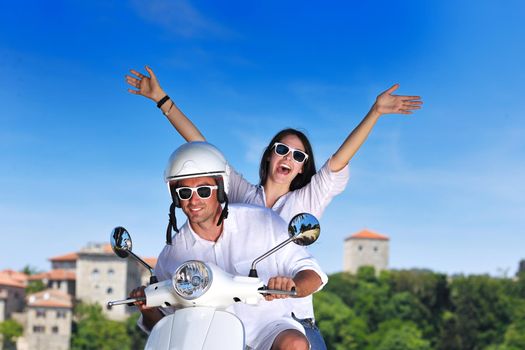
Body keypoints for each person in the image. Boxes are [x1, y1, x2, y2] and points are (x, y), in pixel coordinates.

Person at [125, 66, 423, 348]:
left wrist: (376, 112)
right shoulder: (241, 197)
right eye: (282, 149)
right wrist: (162, 100)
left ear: (302, 169)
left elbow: (340, 159)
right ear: (269, 155)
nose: (289, 158)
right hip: (235, 318)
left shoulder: (307, 198)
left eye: (299, 156)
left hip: (292, 316)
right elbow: (202, 152)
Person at [129, 142, 327, 350]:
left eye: (204, 190)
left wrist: (293, 286)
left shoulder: (263, 221)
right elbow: (164, 327)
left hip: (269, 329)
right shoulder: (172, 255)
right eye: (185, 192)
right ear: (176, 197)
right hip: (210, 340)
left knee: (294, 344)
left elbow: (312, 274)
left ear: (221, 189)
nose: (194, 200)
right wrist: (146, 308)